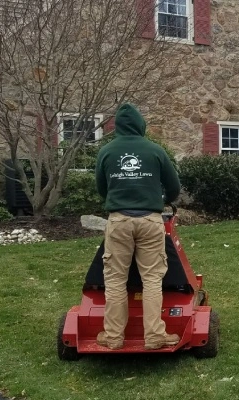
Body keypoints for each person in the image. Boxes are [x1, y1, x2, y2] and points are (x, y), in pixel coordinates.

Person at [94, 103, 181, 350]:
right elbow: (173, 186)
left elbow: (102, 188)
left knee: (115, 279)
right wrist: (162, 200)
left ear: (118, 126)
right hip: (150, 220)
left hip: (119, 220)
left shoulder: (107, 151)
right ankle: (154, 336)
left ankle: (113, 337)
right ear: (140, 124)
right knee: (152, 278)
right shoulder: (154, 150)